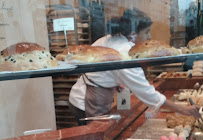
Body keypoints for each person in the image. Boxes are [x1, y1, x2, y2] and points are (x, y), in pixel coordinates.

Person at [68, 14, 201, 125]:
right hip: (86, 102)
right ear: (132, 34)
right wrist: (183, 109)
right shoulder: (125, 53)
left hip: (85, 94)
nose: (149, 37)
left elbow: (103, 72)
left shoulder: (111, 38)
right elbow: (148, 94)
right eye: (146, 32)